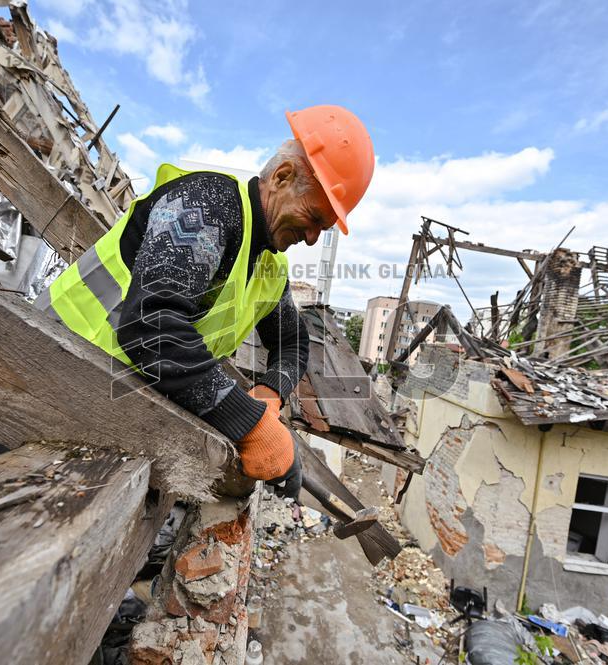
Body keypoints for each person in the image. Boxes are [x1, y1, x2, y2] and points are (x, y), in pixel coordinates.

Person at [37, 105, 374, 498]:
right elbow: (152, 325)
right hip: (53, 369)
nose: (314, 237)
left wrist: (269, 394)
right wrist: (250, 425)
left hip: (116, 402)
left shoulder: (270, 267)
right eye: (314, 217)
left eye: (325, 228)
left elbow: (292, 342)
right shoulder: (207, 206)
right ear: (283, 177)